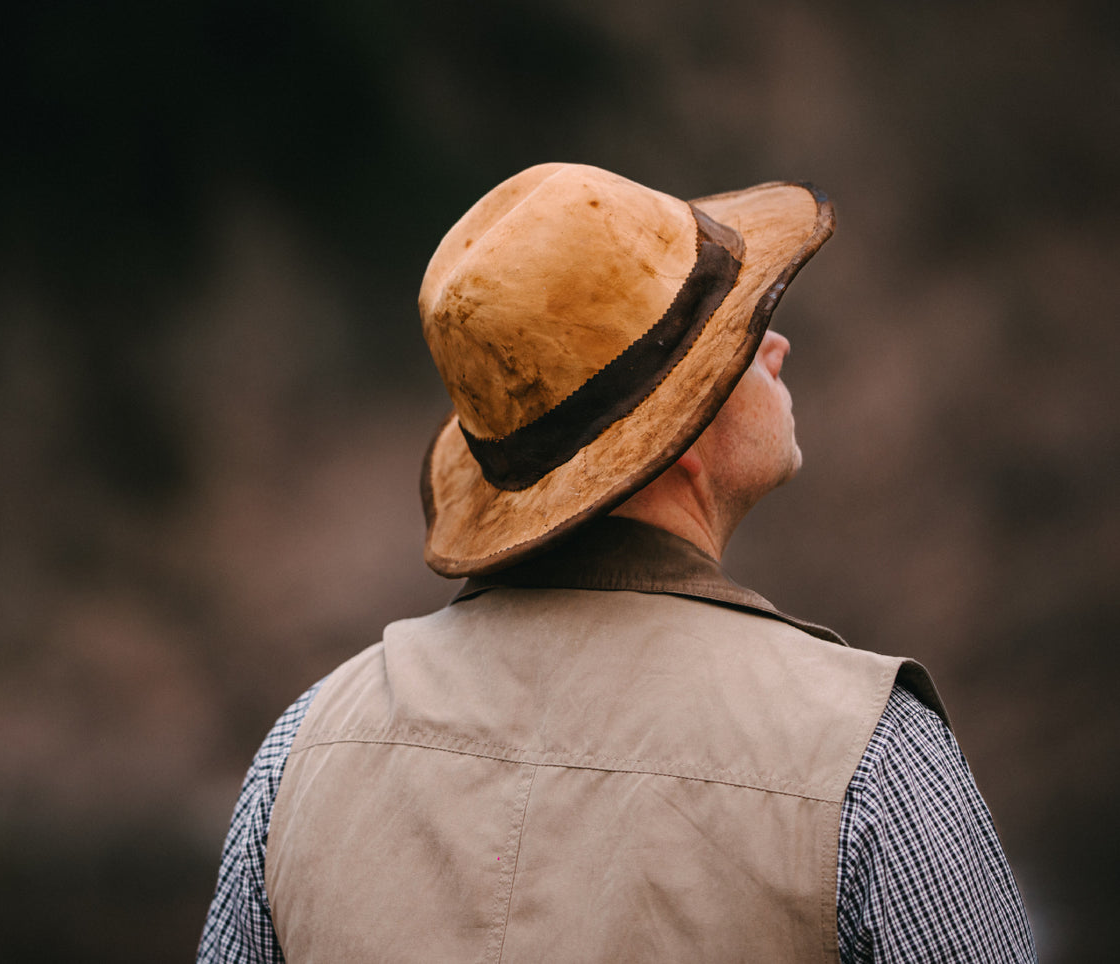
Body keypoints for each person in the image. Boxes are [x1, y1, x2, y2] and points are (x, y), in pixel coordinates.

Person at [197, 163, 1036, 962]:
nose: (775, 343)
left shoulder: (304, 748)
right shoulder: (867, 756)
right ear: (679, 430)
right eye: (737, 330)